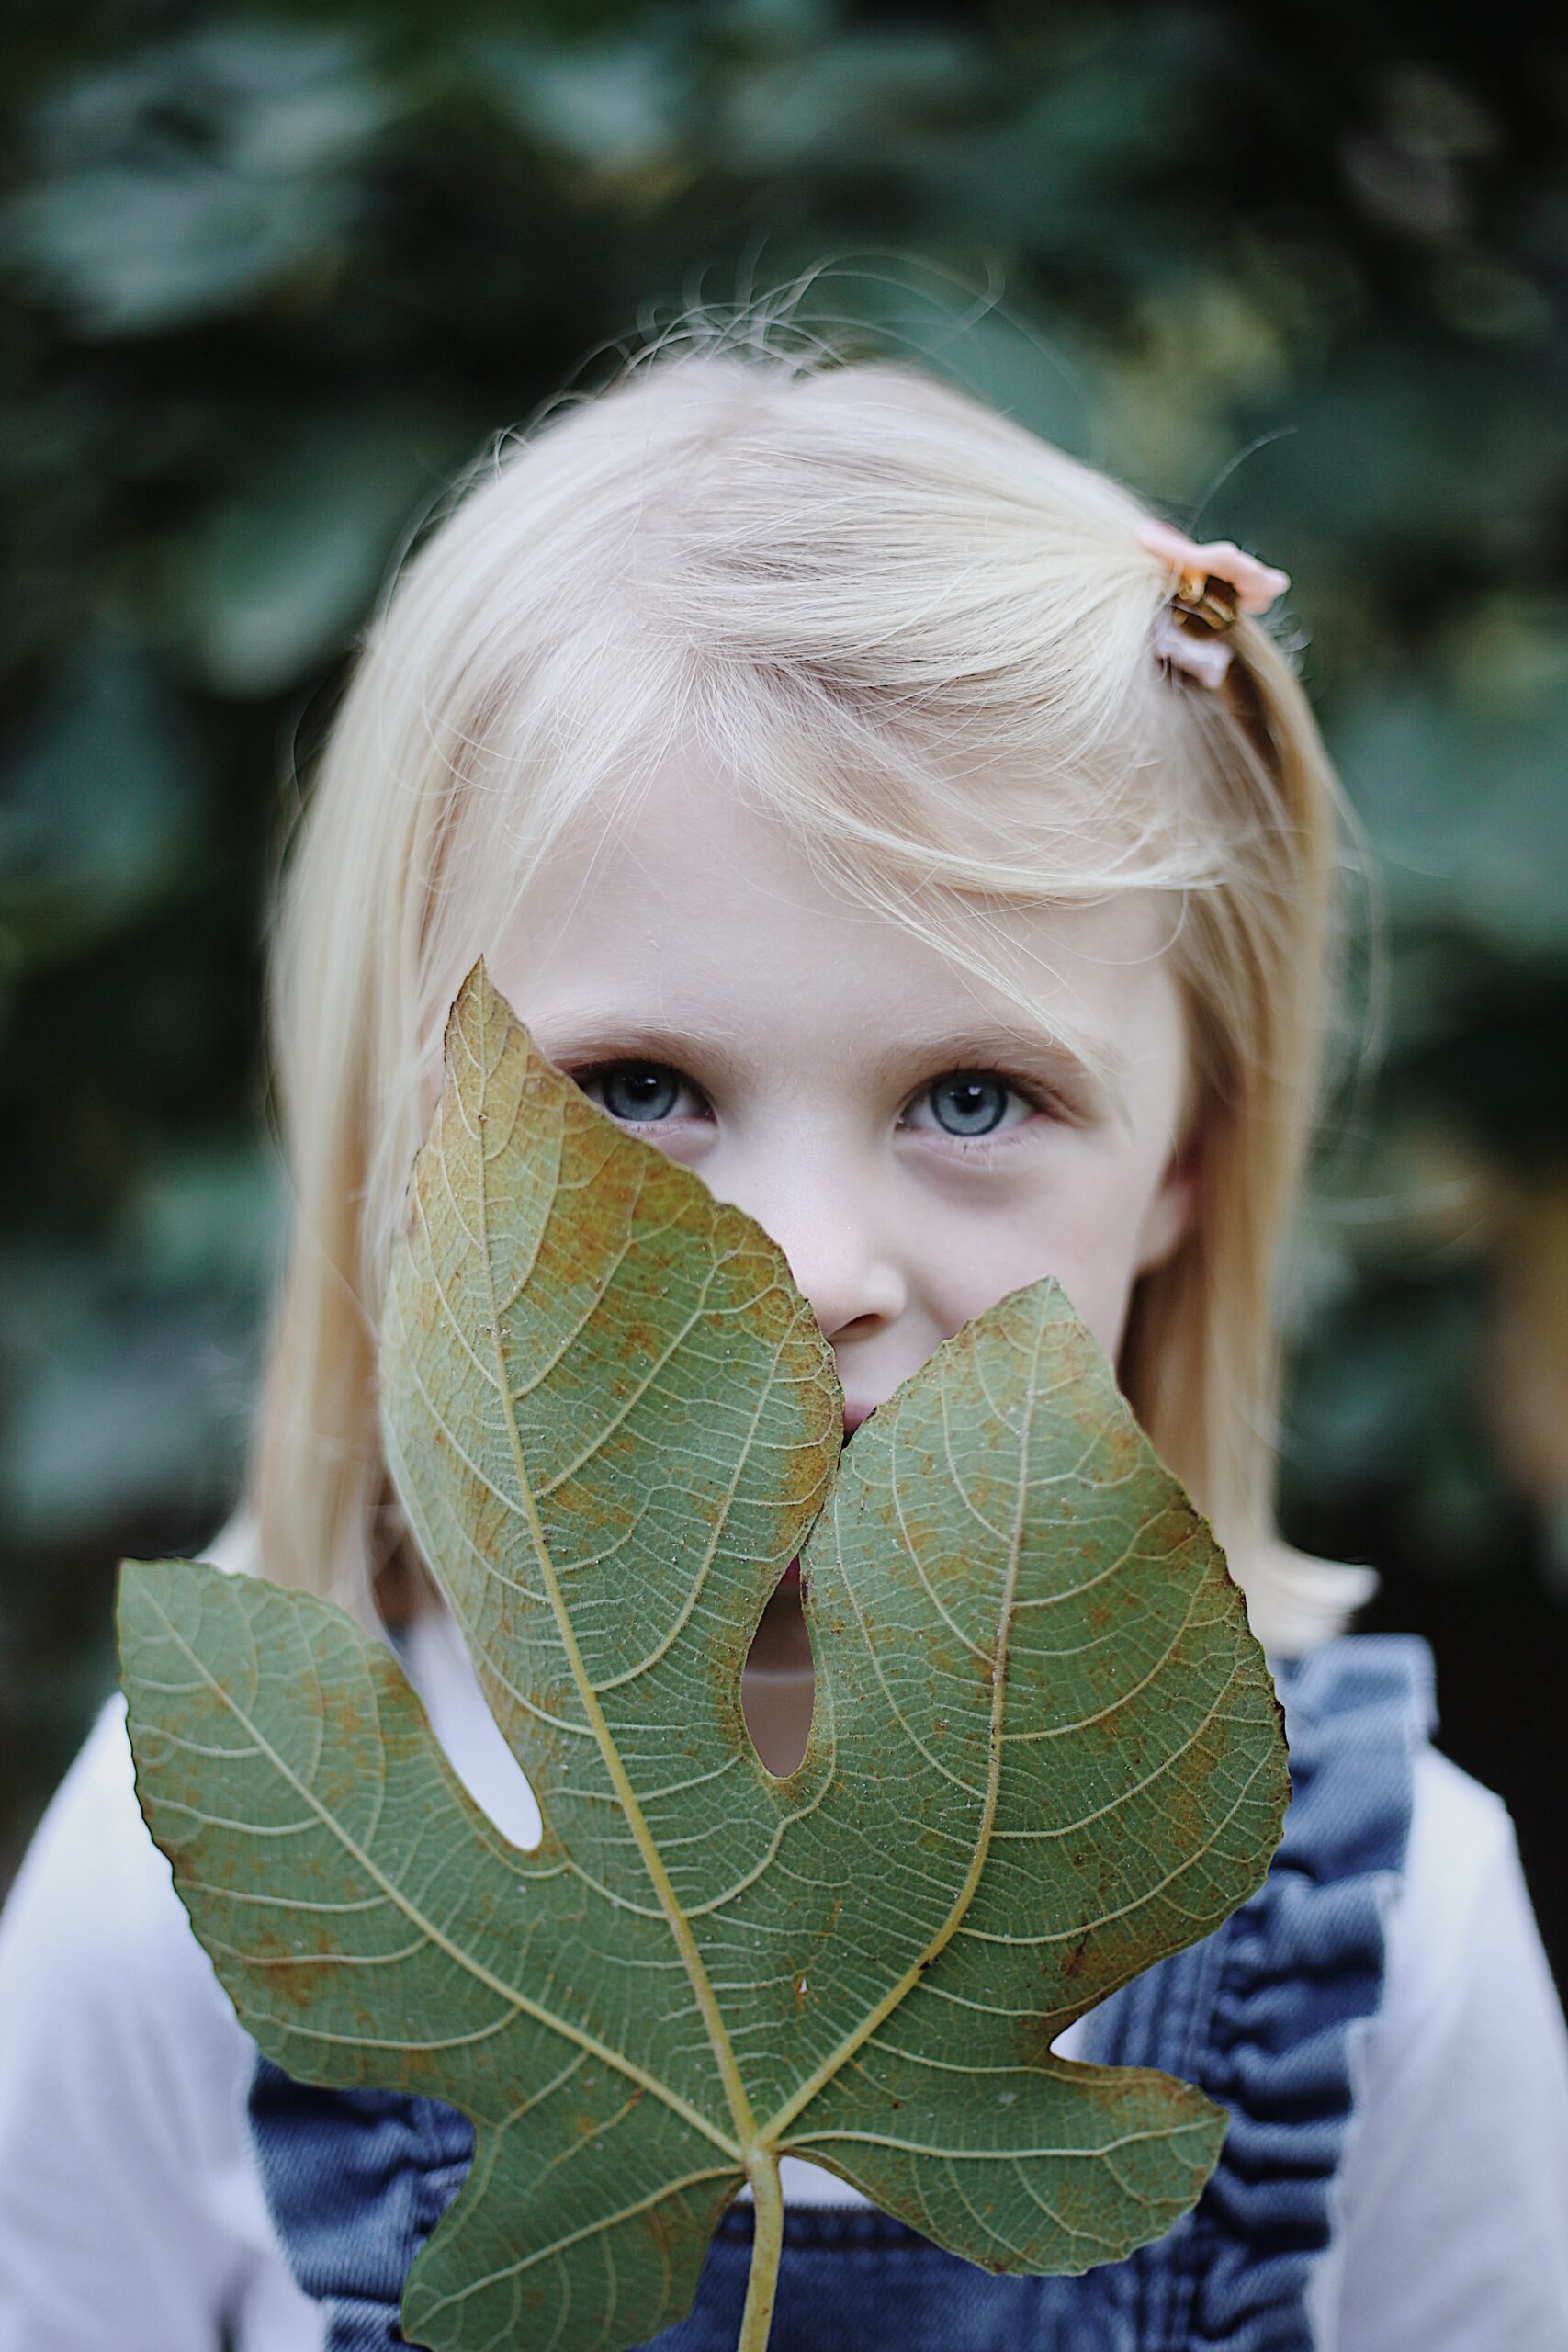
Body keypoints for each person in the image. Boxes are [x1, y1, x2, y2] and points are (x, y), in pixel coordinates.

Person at [2, 308, 1565, 2352]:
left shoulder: (1385, 1934)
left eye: (973, 1098)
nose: (808, 1259)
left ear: (1191, 1158)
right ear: (408, 1138)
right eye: (638, 1084)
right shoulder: (221, 1866)